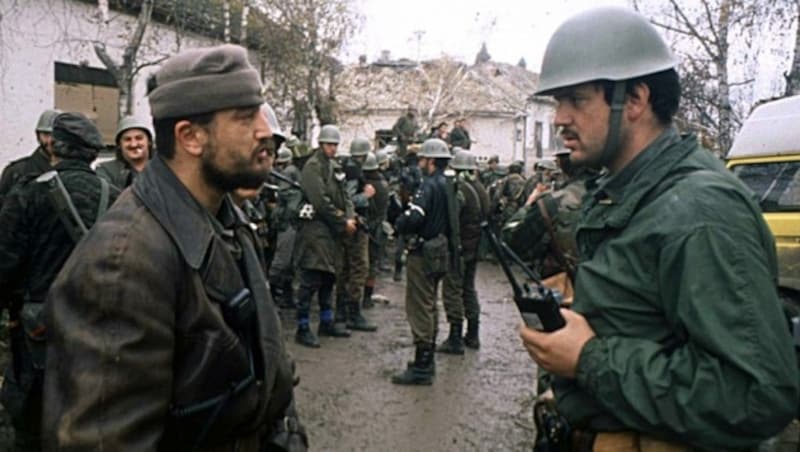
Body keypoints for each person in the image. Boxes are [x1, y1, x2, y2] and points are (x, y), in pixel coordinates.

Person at [520, 7, 798, 450]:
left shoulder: (699, 211)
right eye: (558, 102)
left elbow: (756, 393)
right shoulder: (629, 192)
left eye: (576, 99)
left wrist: (590, 360)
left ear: (634, 100)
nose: (559, 119)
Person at [43, 45, 306, 451]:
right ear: (190, 137)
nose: (264, 131)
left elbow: (266, 364)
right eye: (244, 117)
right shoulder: (122, 264)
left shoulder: (224, 218)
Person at [0, 112, 117, 452]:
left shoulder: (26, 195)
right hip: (100, 320)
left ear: (56, 147)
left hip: (38, 323)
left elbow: (5, 264)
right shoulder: (118, 196)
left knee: (32, 416)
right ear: (92, 152)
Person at [391, 138, 454, 386]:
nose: (420, 164)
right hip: (440, 248)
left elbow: (415, 217)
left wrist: (400, 223)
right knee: (430, 303)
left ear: (431, 161)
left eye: (423, 159)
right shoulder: (446, 185)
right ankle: (427, 360)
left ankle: (422, 364)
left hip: (423, 250)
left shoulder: (427, 187)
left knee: (419, 306)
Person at [294, 124, 356, 347]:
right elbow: (319, 201)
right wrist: (342, 221)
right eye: (329, 144)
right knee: (311, 278)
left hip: (332, 231)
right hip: (316, 229)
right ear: (321, 144)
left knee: (329, 277)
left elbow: (346, 195)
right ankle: (302, 327)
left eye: (335, 145)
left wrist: (349, 217)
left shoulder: (334, 166)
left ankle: (326, 322)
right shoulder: (313, 167)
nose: (332, 148)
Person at [438, 149, 490, 354]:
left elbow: (452, 218)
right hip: (475, 247)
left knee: (452, 290)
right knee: (469, 289)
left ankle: (455, 337)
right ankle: (473, 334)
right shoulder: (481, 189)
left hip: (459, 249)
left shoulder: (461, 191)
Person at [334, 136, 378, 332]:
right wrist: (366, 196)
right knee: (359, 268)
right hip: (355, 225)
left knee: (345, 269)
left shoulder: (344, 167)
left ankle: (342, 311)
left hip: (348, 225)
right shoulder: (353, 171)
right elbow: (349, 199)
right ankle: (353, 312)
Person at [0, 109, 59, 208]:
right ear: (38, 136)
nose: (50, 140)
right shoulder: (16, 172)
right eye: (46, 135)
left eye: (55, 135)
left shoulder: (73, 171)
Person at [268, 145, 303, 310]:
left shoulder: (289, 172)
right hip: (286, 222)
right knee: (282, 262)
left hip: (290, 221)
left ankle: (284, 296)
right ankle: (270, 296)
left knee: (288, 263)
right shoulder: (289, 173)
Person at [361, 151, 390, 309]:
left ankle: (359, 297)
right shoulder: (383, 183)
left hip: (367, 227)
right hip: (379, 228)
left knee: (359, 264)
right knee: (372, 265)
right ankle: (367, 297)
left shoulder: (368, 185)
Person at [96, 115, 153, 190]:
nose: (133, 144)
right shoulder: (106, 170)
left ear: (149, 142)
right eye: (127, 139)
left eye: (139, 138)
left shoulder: (164, 167)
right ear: (119, 145)